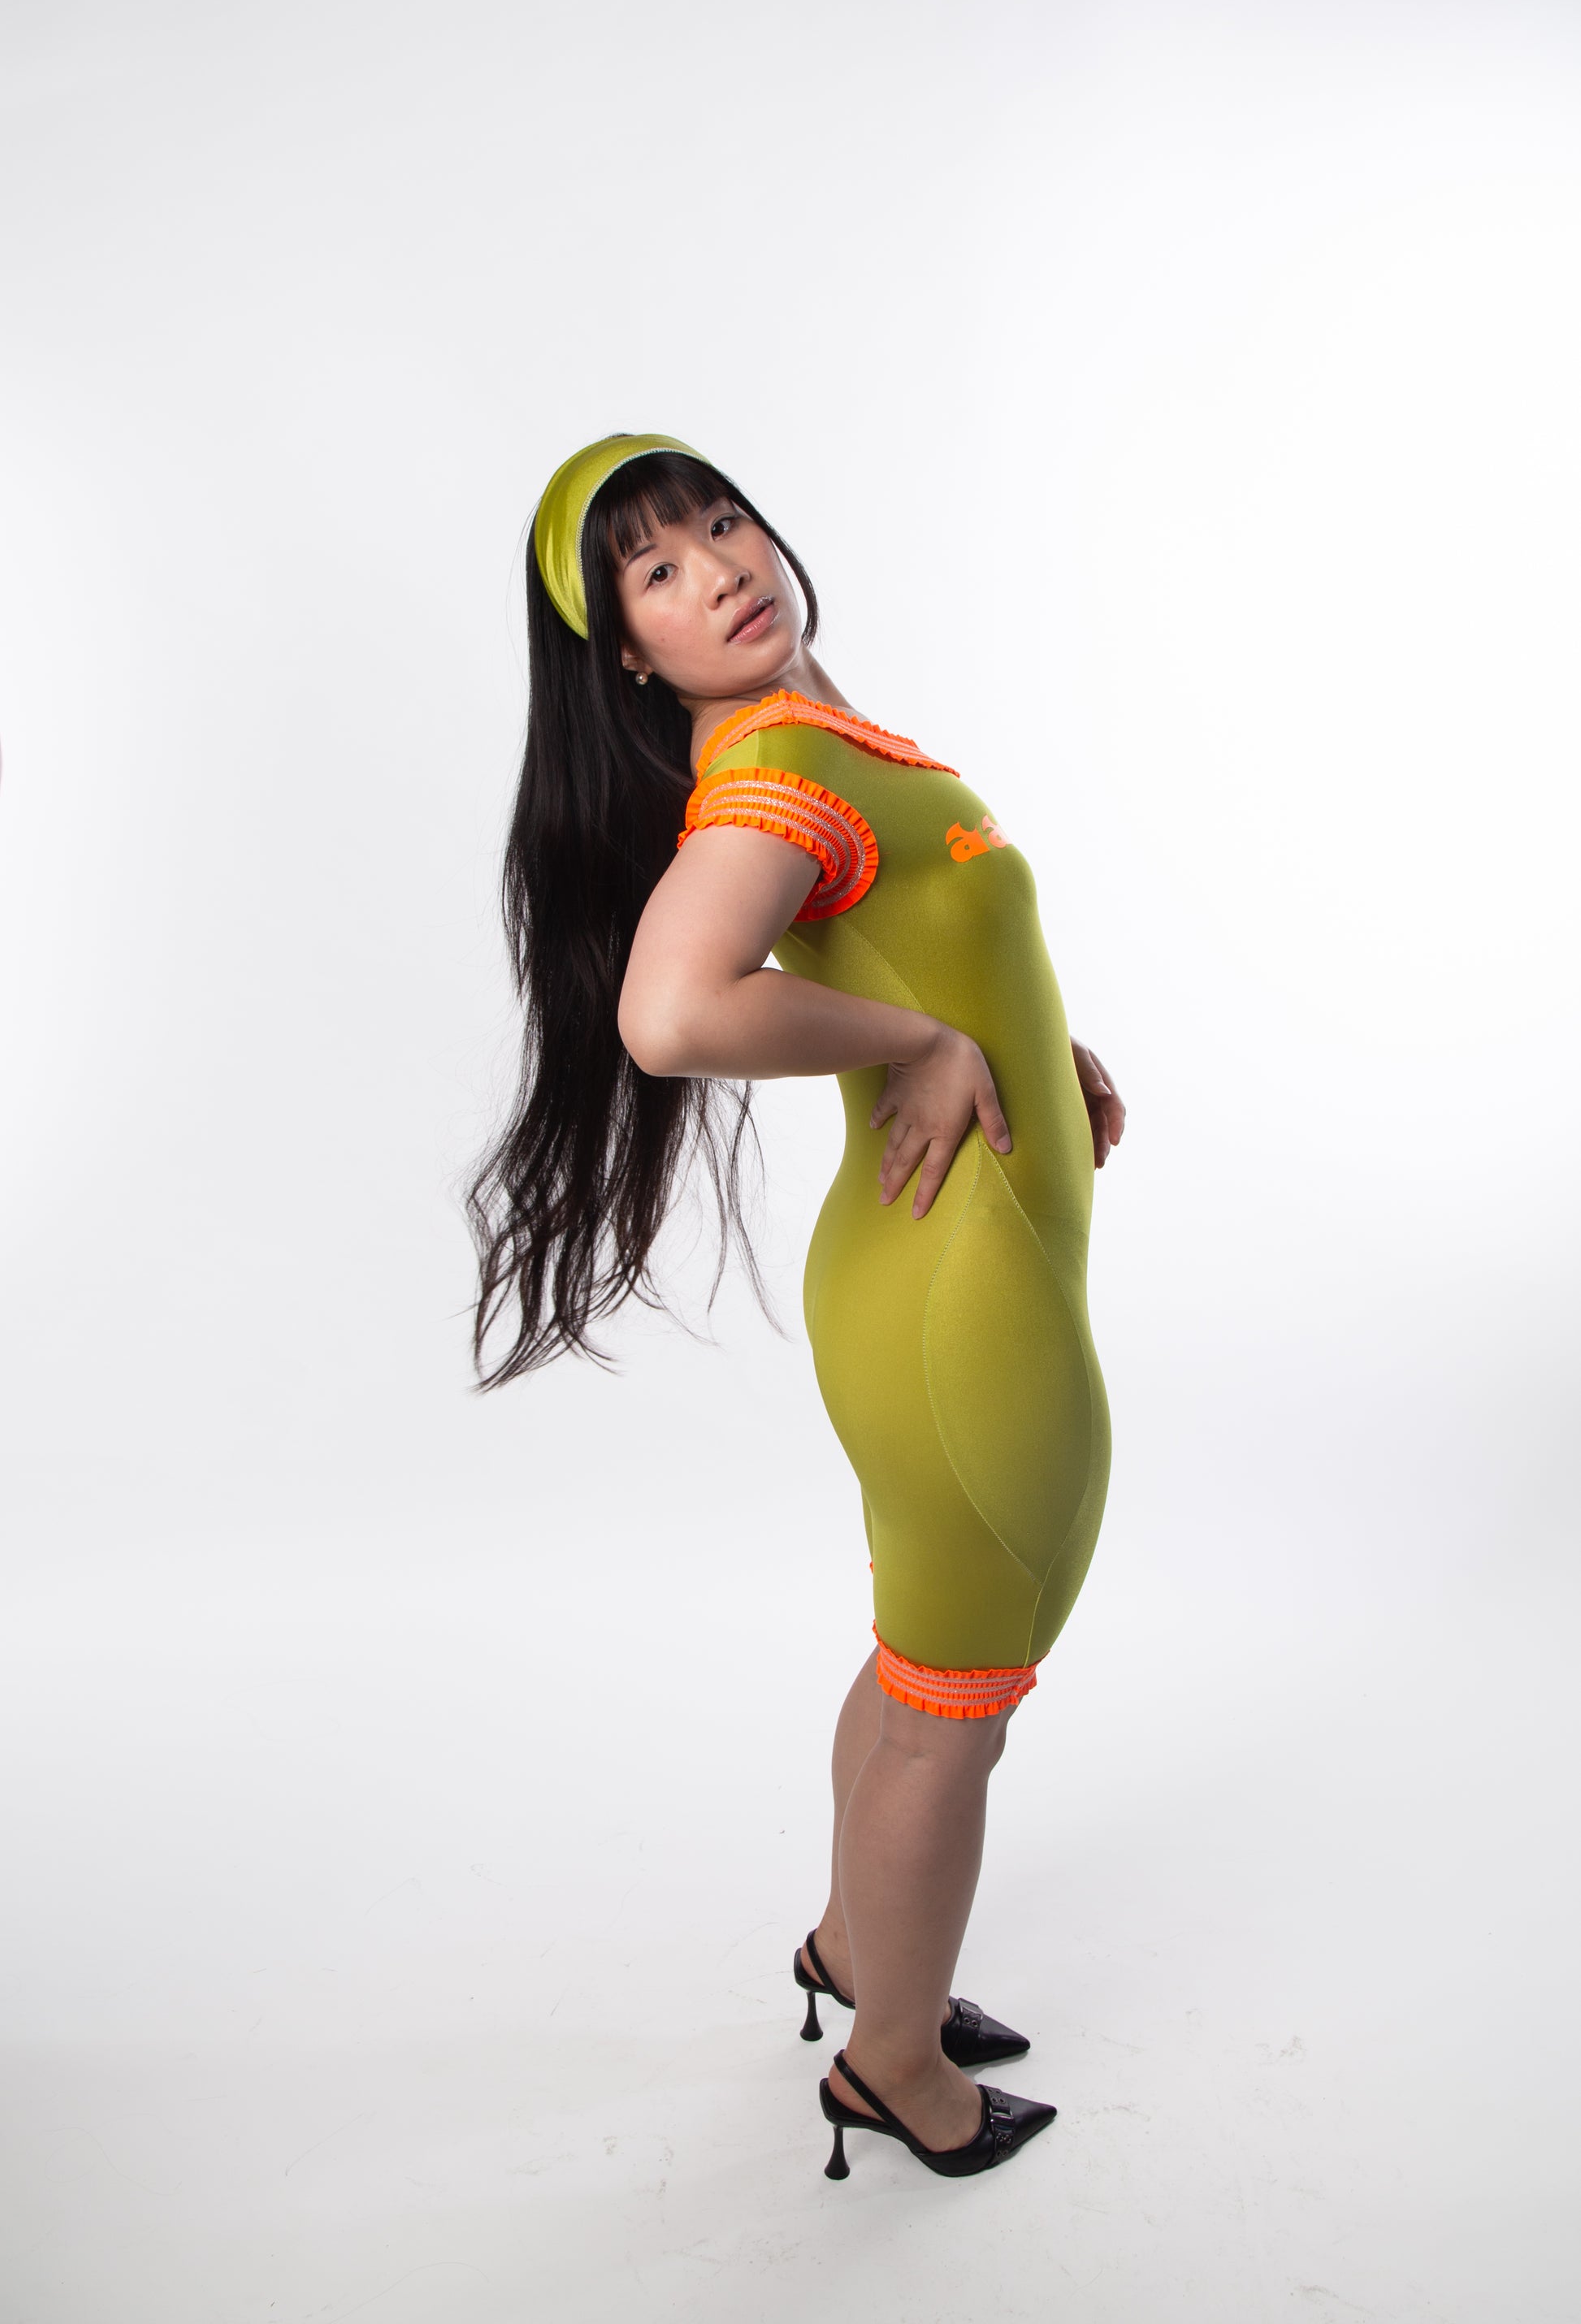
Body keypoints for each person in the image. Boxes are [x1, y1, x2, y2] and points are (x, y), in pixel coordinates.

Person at [470, 433, 1124, 2182]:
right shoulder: (770, 769)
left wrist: (1031, 1048)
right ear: (626, 651)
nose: (719, 569)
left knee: (930, 1659)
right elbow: (674, 1010)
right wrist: (925, 1039)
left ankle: (856, 1946)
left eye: (720, 523)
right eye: (656, 570)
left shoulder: (808, 736)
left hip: (949, 1267)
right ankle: (891, 2066)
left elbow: (919, 932)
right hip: (951, 1293)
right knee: (959, 1692)